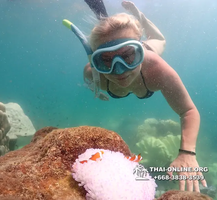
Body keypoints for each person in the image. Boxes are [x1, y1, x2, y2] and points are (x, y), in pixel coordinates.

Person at [83, 0, 207, 192]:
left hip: (152, 49)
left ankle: (138, 15)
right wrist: (96, 90)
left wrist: (187, 153)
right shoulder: (93, 73)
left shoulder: (157, 69)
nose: (119, 70)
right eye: (106, 60)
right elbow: (89, 80)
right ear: (95, 60)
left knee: (159, 39)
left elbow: (188, 110)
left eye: (129, 55)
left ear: (140, 50)